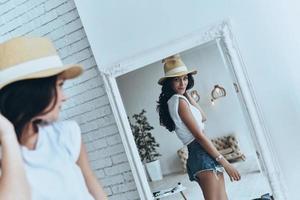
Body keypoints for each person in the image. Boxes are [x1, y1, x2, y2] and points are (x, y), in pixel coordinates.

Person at [0, 37, 107, 200]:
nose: (65, 97)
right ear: (33, 92)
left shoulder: (67, 133)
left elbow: (91, 184)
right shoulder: (5, 154)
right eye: (59, 85)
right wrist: (7, 134)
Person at [157, 54, 241, 200]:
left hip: (201, 154)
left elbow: (203, 117)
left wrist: (187, 94)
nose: (182, 83)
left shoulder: (179, 100)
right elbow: (199, 136)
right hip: (200, 152)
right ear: (169, 83)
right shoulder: (179, 102)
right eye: (176, 79)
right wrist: (226, 163)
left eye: (185, 78)